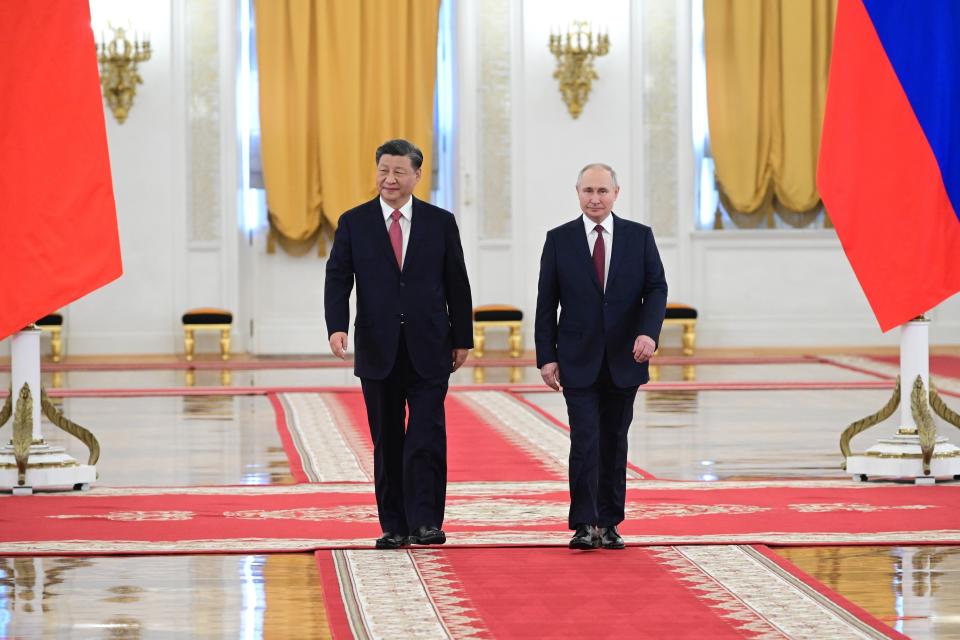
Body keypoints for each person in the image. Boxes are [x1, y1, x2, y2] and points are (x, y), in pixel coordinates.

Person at [325, 138, 473, 549]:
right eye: (383, 171)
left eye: (399, 172)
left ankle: (426, 521)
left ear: (416, 176)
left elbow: (457, 283)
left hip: (430, 345)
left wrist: (462, 337)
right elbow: (338, 277)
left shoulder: (440, 222)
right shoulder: (354, 222)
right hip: (377, 347)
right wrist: (337, 326)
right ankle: (393, 525)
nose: (389, 179)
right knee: (387, 439)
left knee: (426, 435)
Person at [535, 163, 667, 550]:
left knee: (614, 440)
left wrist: (649, 333)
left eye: (602, 191)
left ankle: (609, 523)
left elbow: (656, 288)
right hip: (576, 358)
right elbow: (547, 303)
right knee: (585, 439)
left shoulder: (638, 237)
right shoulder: (558, 240)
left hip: (625, 358)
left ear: (616, 193)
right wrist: (547, 356)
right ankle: (582, 523)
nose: (595, 198)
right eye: (588, 191)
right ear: (577, 192)